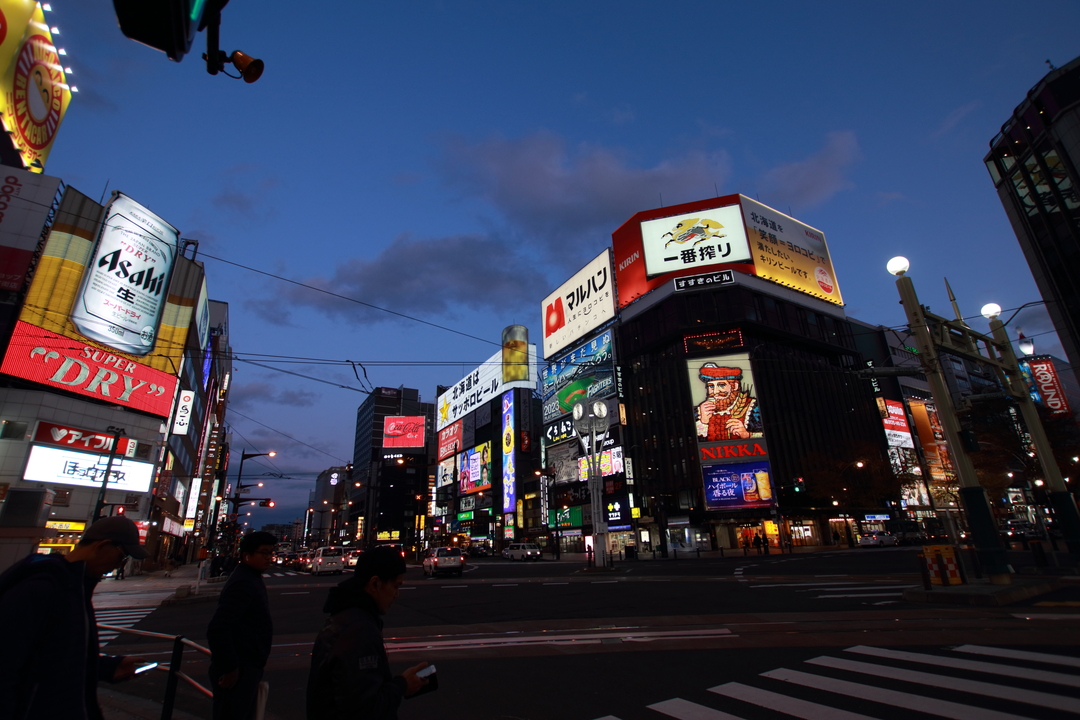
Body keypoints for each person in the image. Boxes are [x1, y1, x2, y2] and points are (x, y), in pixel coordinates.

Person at [0, 516, 150, 719]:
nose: (120, 564)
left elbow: (56, 655)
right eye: (122, 556)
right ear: (103, 546)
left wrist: (105, 668)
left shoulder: (76, 585)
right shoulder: (41, 588)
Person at [307, 546, 429, 719]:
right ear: (374, 584)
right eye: (395, 586)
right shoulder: (359, 632)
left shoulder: (344, 617)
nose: (397, 595)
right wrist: (402, 684)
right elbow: (367, 709)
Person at [207, 531, 277, 720]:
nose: (269, 558)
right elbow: (218, 627)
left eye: (271, 552)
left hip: (246, 664)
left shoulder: (250, 577)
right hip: (241, 668)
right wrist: (230, 669)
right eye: (264, 553)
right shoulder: (244, 582)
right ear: (247, 555)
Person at [694, 363, 763, 441]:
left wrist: (747, 435)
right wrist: (703, 422)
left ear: (735, 386)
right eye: (711, 386)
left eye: (721, 385)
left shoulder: (754, 407)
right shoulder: (699, 411)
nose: (716, 391)